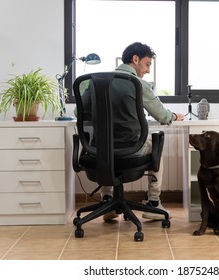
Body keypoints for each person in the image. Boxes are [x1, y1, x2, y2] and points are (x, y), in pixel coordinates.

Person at [77, 42, 184, 221]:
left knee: (105, 145)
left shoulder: (96, 83)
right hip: (131, 150)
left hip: (98, 150)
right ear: (135, 59)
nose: (148, 70)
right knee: (154, 143)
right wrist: (174, 115)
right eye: (147, 64)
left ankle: (107, 199)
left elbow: (78, 112)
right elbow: (163, 116)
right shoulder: (138, 84)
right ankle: (153, 203)